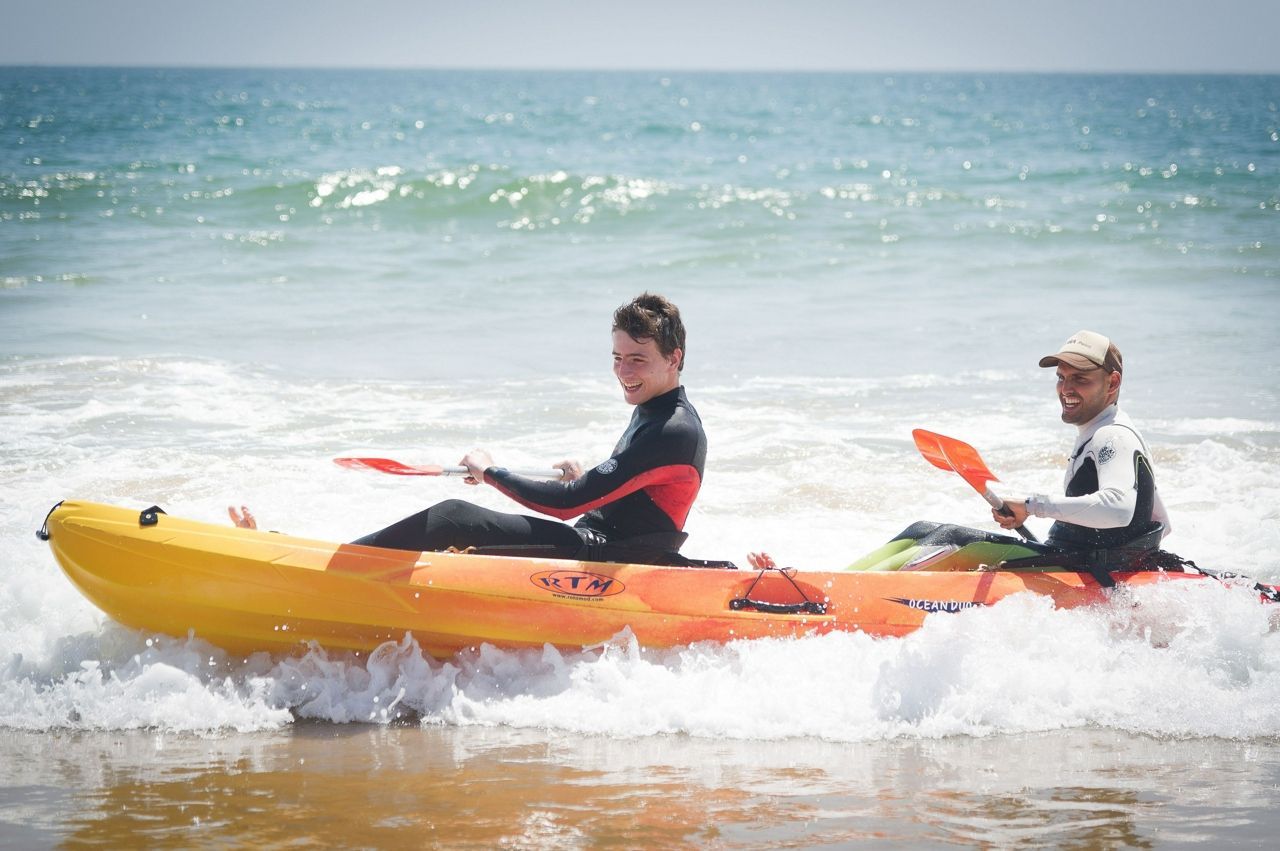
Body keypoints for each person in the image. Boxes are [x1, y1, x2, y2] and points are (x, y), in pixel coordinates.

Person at [233, 293, 707, 564]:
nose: (623, 371)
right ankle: (318, 560)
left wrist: (490, 471)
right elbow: (631, 491)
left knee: (454, 517)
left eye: (637, 360)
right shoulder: (658, 410)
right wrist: (584, 477)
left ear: (674, 359)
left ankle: (316, 570)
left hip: (611, 562)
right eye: (618, 358)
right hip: (606, 549)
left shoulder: (673, 429)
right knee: (456, 530)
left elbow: (568, 506)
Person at [990, 329, 1170, 549]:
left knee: (954, 538)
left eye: (1080, 379)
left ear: (1112, 383)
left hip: (1095, 575)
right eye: (1061, 378)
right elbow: (1161, 522)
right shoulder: (1104, 431)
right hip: (1092, 570)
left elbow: (1119, 510)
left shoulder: (1112, 435)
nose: (1065, 389)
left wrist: (1032, 506)